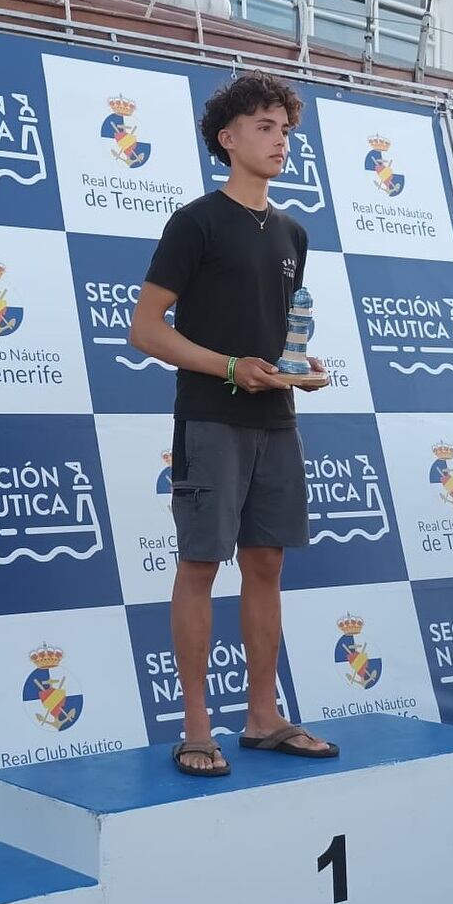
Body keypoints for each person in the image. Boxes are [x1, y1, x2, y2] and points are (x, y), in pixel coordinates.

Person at [129, 71, 334, 776]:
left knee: (267, 564)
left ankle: (261, 715)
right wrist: (226, 366)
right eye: (264, 127)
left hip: (277, 417)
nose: (280, 141)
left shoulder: (291, 231)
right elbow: (145, 330)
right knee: (199, 564)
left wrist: (300, 368)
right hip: (210, 417)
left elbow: (281, 337)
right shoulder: (194, 221)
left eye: (285, 130)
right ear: (227, 137)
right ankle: (194, 725)